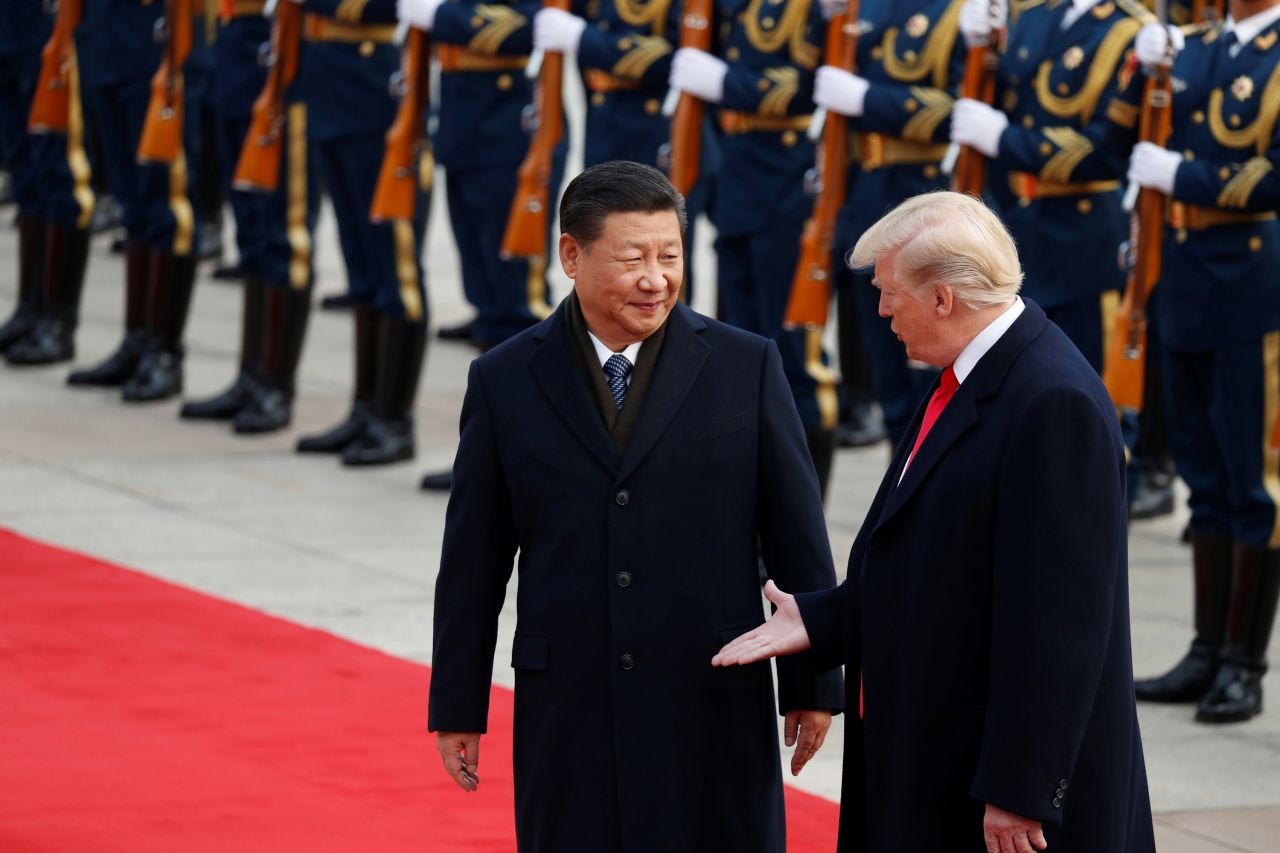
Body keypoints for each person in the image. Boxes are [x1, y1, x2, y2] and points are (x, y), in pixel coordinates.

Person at [714, 191, 1155, 852]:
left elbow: (1061, 624)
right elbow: (940, 558)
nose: (882, 311)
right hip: (937, 749)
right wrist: (824, 618)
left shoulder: (1051, 402)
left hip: (995, 786)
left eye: (891, 293)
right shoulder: (970, 375)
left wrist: (1021, 785)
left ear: (944, 298)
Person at [427, 160, 843, 853]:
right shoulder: (504, 379)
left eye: (670, 255)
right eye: (633, 258)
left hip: (711, 693)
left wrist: (812, 682)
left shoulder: (746, 366)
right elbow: (472, 562)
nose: (657, 278)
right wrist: (458, 704)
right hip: (570, 704)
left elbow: (797, 536)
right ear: (571, 254)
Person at [1117, 4, 1280, 723]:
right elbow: (1126, 134)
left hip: (1252, 285)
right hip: (1182, 275)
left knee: (1255, 483)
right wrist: (1141, 67)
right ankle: (1205, 649)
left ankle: (1246, 663)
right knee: (1203, 479)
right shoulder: (1197, 46)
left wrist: (1182, 175)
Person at [812, 0, 966, 451]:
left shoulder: (962, 11)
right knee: (889, 379)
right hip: (866, 198)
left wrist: (865, 99)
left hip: (925, 200)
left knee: (930, 372)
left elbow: (963, 112)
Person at [289, 0, 431, 466]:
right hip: (333, 87)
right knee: (362, 267)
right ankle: (366, 409)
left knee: (397, 269)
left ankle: (394, 420)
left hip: (380, 91)